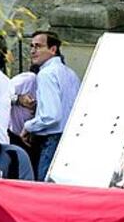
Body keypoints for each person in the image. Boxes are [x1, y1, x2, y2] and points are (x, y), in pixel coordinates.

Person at [20, 30, 81, 181]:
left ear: (53, 50)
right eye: (32, 46)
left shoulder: (46, 74)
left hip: (52, 140)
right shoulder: (70, 73)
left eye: (39, 46)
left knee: (46, 187)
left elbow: (51, 116)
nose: (33, 51)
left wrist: (28, 126)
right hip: (70, 138)